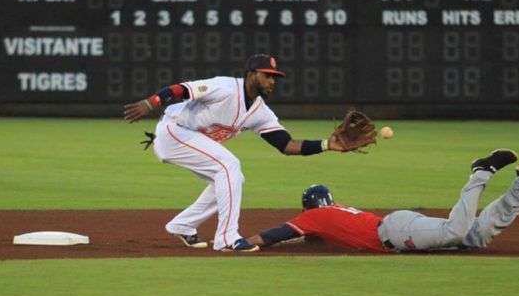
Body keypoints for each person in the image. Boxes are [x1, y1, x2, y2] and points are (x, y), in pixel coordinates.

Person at [124, 54, 354, 252]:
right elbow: (183, 89)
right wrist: (151, 102)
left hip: (189, 138)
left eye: (275, 76)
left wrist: (326, 144)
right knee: (229, 166)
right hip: (174, 131)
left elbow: (286, 145)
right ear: (251, 73)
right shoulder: (224, 87)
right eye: (267, 75)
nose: (272, 80)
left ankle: (183, 225)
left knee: (231, 178)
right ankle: (226, 238)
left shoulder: (260, 111)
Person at [246, 149, 519, 252]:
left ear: (308, 207)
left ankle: (481, 172)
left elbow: (275, 236)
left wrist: (241, 243)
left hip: (395, 231)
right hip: (398, 225)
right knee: (476, 236)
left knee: (455, 231)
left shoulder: (311, 219)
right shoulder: (331, 216)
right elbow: (310, 241)